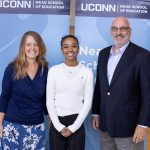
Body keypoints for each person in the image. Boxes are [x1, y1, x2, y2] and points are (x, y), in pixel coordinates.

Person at [92, 16, 150, 150]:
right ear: (111, 31)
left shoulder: (143, 56)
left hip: (129, 129)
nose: (118, 32)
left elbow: (148, 94)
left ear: (129, 30)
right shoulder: (103, 54)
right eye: (115, 29)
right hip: (105, 125)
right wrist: (96, 113)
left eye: (123, 28)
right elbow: (100, 86)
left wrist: (143, 124)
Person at [0, 31, 48, 149]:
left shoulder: (45, 70)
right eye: (28, 44)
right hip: (12, 125)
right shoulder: (12, 68)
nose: (32, 48)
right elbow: (4, 97)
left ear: (40, 47)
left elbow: (46, 100)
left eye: (35, 44)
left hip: (36, 127)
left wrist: (53, 122)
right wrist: (0, 123)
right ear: (23, 47)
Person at [46, 35, 93, 150]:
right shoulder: (54, 71)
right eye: (66, 47)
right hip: (57, 123)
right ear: (62, 49)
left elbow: (87, 103)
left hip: (77, 122)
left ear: (78, 48)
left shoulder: (87, 72)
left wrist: (73, 127)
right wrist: (58, 126)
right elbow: (49, 101)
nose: (70, 50)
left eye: (74, 46)